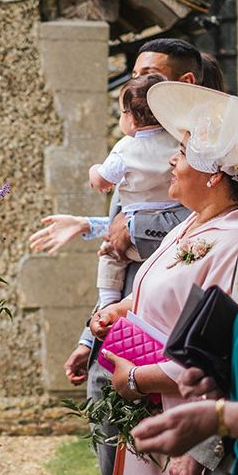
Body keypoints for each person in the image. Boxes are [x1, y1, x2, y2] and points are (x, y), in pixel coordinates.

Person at [89, 81, 238, 475]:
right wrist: (122, 310)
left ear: (213, 173)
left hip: (187, 422)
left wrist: (133, 380)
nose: (172, 159)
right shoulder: (192, 223)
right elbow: (164, 288)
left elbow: (215, 352)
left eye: (184, 151)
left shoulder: (233, 241)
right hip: (157, 416)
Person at [88, 74, 181, 308]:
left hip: (132, 239)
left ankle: (108, 305)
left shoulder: (126, 149)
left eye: (122, 112)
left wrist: (94, 169)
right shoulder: (177, 142)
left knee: (109, 254)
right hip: (171, 236)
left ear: (132, 120)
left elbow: (101, 181)